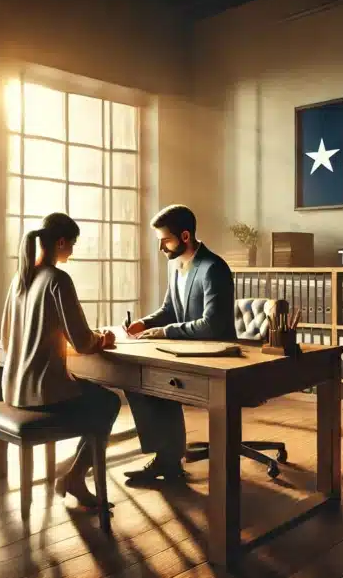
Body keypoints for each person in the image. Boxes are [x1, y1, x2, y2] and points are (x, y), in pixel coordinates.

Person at [0, 212, 121, 509]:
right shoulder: (58, 280)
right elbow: (82, 341)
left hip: (14, 389)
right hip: (43, 394)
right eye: (73, 244)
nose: (73, 251)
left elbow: (6, 338)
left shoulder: (21, 278)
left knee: (90, 394)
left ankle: (71, 471)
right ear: (62, 242)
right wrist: (103, 339)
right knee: (109, 402)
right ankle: (75, 476)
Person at [122, 204, 236, 482]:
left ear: (185, 236)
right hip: (184, 350)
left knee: (156, 381)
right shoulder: (176, 266)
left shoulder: (213, 268)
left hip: (215, 358)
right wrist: (144, 323)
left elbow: (211, 325)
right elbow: (169, 310)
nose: (161, 247)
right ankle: (167, 458)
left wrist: (164, 332)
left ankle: (169, 460)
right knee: (139, 381)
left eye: (165, 240)